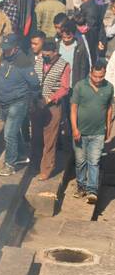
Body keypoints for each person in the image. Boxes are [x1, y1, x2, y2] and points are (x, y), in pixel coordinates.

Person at [70, 59, 114, 206]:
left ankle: (92, 191)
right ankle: (81, 186)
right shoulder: (80, 86)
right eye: (95, 76)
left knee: (94, 162)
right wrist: (75, 129)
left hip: (98, 133)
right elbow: (73, 109)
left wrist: (108, 128)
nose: (97, 80)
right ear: (90, 73)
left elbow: (109, 109)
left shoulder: (109, 88)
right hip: (80, 132)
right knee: (80, 162)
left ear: (104, 74)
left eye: (101, 76)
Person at [0, 35, 38, 175]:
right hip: (4, 102)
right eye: (4, 49)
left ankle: (9, 164)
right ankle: (20, 155)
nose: (5, 52)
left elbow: (35, 82)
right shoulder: (4, 57)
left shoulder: (23, 62)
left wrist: (33, 99)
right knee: (13, 131)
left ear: (15, 48)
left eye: (8, 49)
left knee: (8, 134)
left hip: (18, 102)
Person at [30, 38, 70, 181]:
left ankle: (46, 169)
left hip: (52, 107)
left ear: (55, 52)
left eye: (48, 54)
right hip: (36, 104)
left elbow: (65, 88)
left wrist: (51, 98)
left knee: (50, 139)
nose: (45, 56)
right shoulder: (38, 61)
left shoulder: (64, 65)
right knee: (35, 136)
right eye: (44, 53)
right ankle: (34, 165)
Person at [56, 17, 90, 90]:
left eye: (69, 38)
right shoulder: (57, 46)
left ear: (74, 35)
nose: (66, 40)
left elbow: (83, 68)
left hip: (74, 84)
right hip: (59, 85)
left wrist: (81, 85)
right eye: (64, 37)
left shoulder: (80, 47)